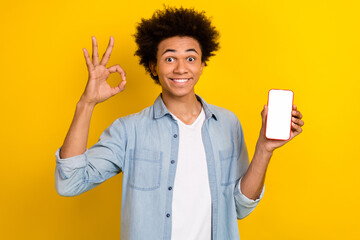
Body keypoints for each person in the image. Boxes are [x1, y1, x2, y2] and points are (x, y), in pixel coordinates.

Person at [55, 6, 304, 240]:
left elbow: (240, 207)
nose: (181, 68)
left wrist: (264, 148)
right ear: (153, 66)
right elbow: (70, 182)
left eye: (191, 58)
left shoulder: (228, 124)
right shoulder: (128, 130)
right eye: (170, 59)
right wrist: (86, 104)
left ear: (203, 64)